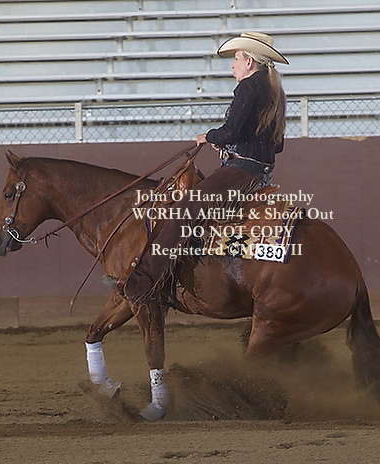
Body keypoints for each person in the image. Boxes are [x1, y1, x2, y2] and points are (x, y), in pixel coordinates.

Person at [123, 31, 289, 303]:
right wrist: (229, 143)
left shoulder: (248, 87)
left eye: (236, 59)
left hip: (241, 171)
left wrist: (210, 137)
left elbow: (231, 130)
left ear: (249, 62)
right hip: (259, 172)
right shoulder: (275, 91)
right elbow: (276, 144)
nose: (233, 65)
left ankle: (141, 285)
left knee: (183, 209)